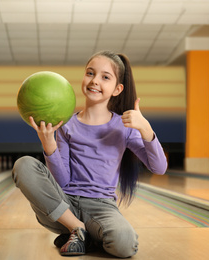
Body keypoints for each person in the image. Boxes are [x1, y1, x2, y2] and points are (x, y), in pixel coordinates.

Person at [12, 50, 167, 258]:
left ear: (117, 89)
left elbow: (159, 167)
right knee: (24, 165)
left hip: (101, 208)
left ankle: (81, 236)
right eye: (90, 73)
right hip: (62, 206)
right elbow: (63, 181)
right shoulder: (66, 126)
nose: (94, 81)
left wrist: (146, 130)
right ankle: (77, 228)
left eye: (105, 77)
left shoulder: (124, 127)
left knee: (125, 245)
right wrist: (49, 145)